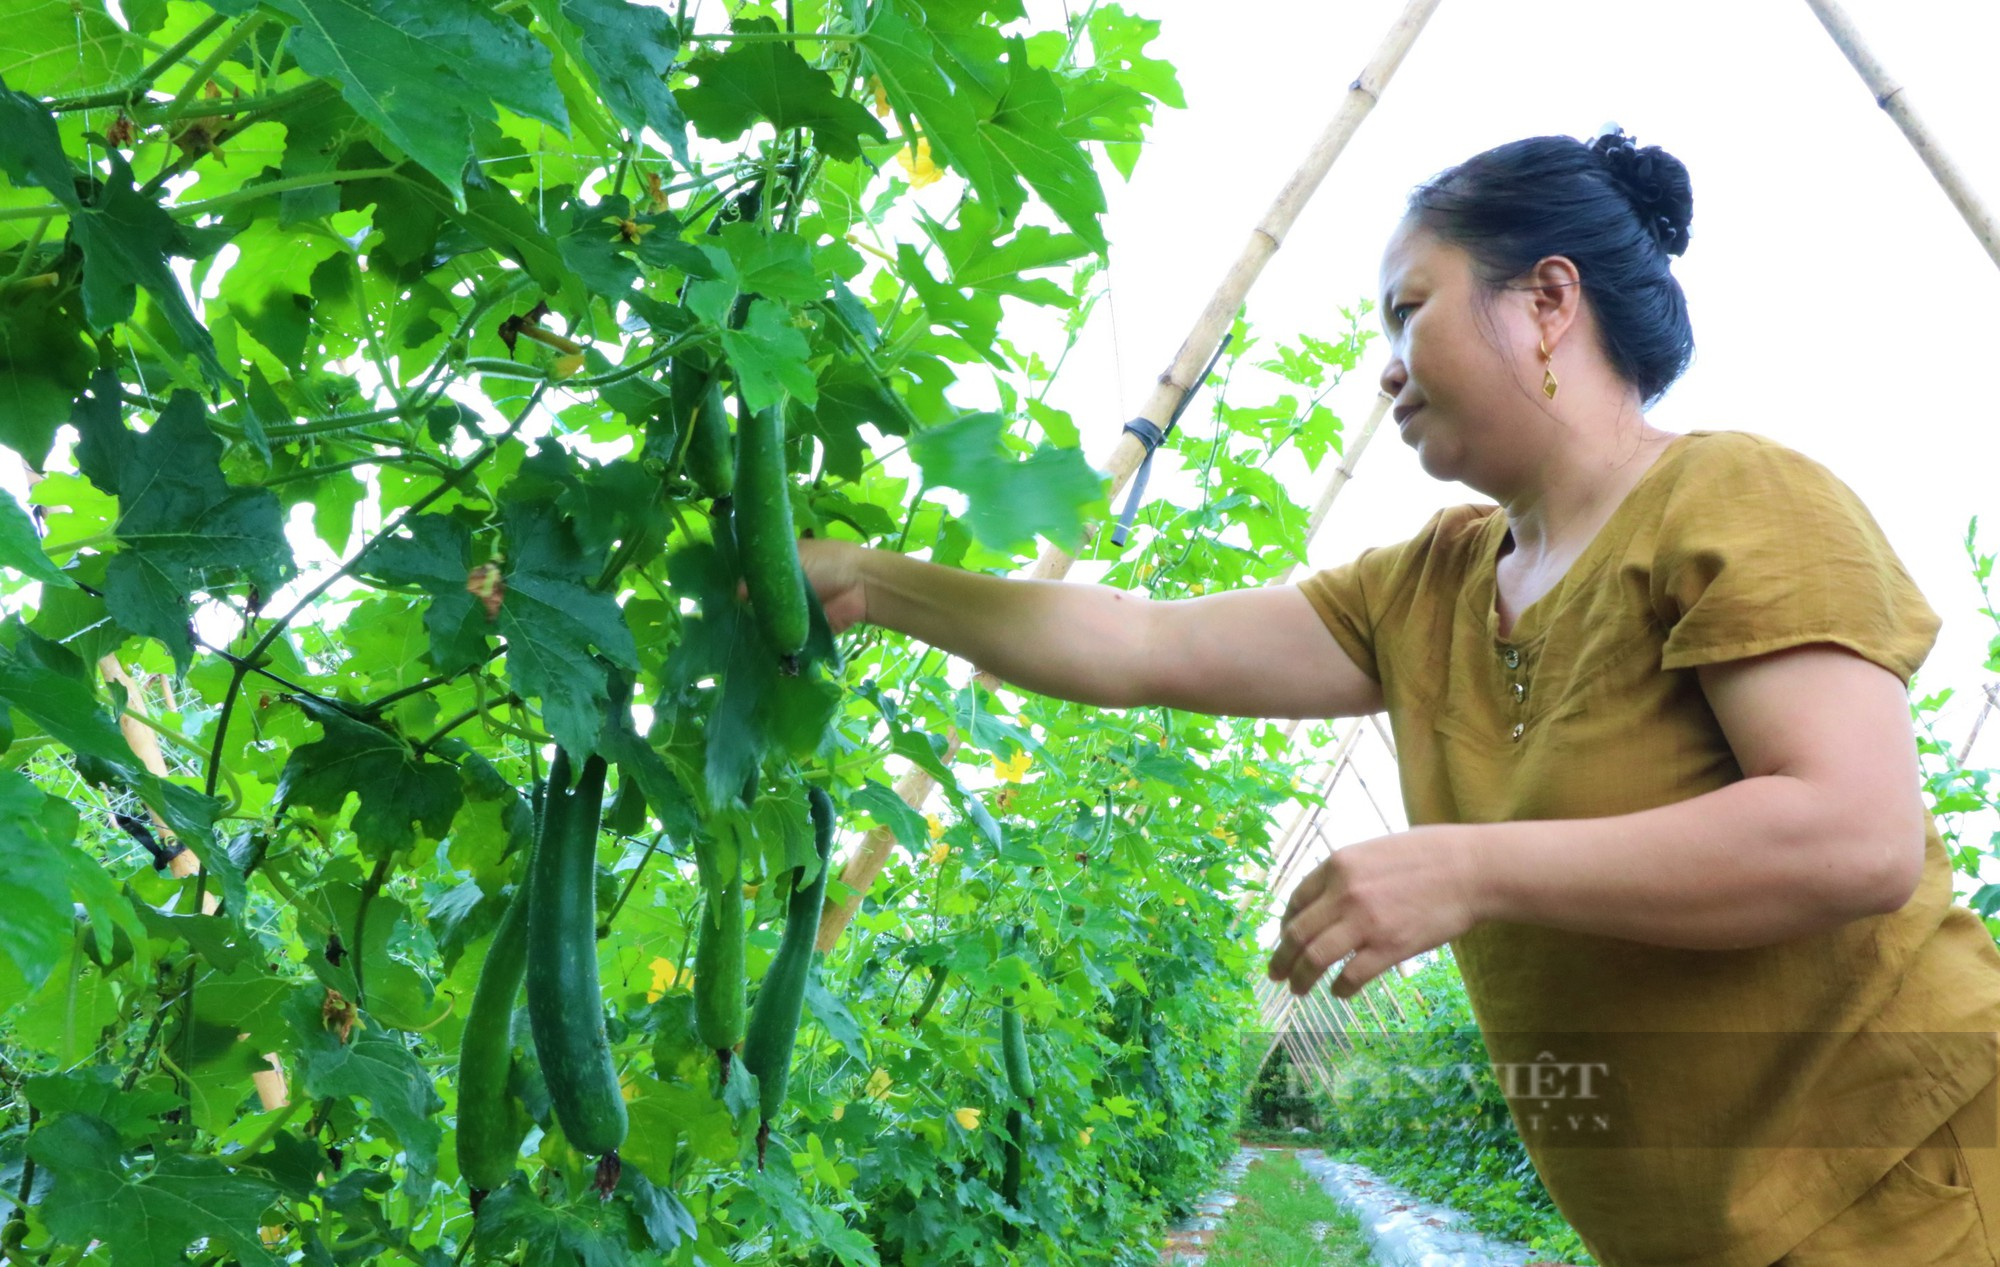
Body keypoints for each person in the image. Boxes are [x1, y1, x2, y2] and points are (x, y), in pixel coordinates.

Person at [795, 129, 2000, 1265]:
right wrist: (869, 581)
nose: (1384, 364)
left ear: (1546, 301)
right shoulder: (1429, 584)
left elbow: (1853, 836)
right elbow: (1141, 644)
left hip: (1913, 1184)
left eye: (1407, 310)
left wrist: (1467, 867)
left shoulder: (1737, 496)